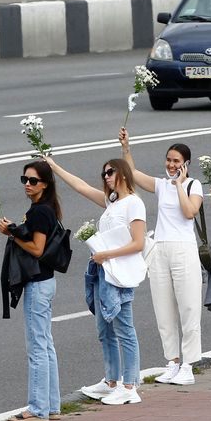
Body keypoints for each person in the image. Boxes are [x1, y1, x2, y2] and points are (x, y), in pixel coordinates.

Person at [46, 157, 144, 405]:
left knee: (124, 329)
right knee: (104, 329)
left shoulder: (134, 203)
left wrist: (105, 254)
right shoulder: (111, 202)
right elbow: (80, 187)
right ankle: (111, 381)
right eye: (104, 174)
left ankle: (130, 386)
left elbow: (138, 243)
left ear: (122, 173)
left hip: (118, 272)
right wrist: (54, 166)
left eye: (110, 172)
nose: (106, 177)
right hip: (103, 271)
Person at [119, 129, 204, 385]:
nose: (171, 164)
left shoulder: (192, 185)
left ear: (186, 164)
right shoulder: (159, 185)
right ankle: (172, 362)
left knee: (189, 308)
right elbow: (132, 174)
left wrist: (179, 184)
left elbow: (190, 212)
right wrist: (126, 147)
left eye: (176, 161)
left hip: (184, 249)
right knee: (163, 309)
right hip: (160, 250)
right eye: (168, 159)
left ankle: (188, 365)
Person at [0, 161, 62, 421]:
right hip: (46, 282)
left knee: (37, 348)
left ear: (44, 184)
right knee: (46, 345)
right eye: (24, 179)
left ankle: (37, 409)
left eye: (33, 180)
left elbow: (37, 249)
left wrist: (12, 234)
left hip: (38, 285)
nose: (27, 184)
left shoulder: (39, 212)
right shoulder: (47, 209)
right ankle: (53, 406)